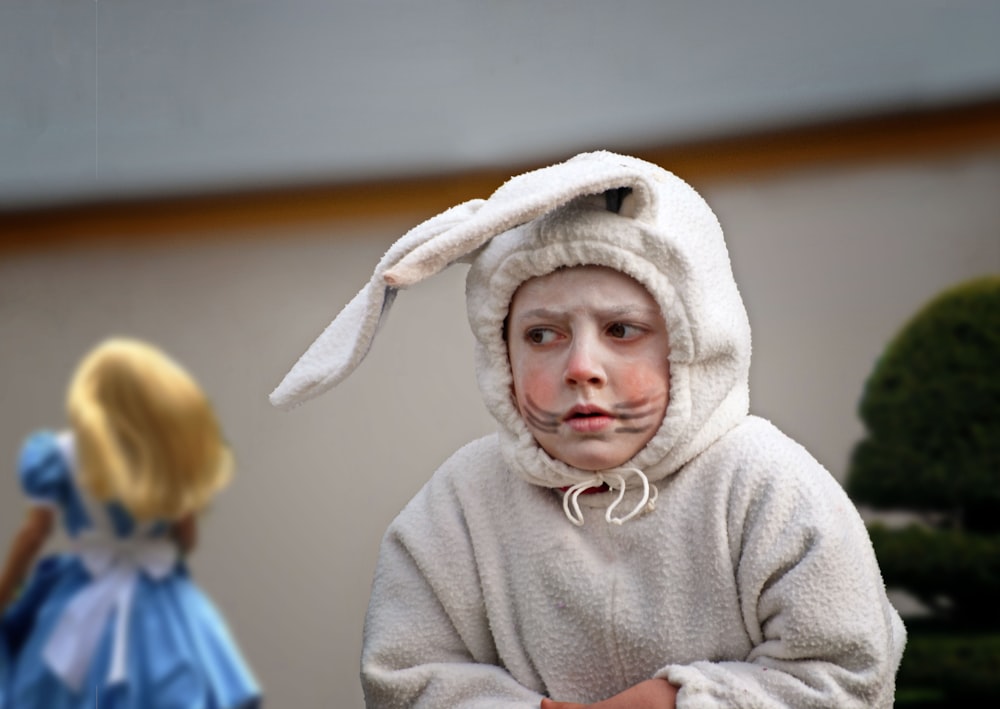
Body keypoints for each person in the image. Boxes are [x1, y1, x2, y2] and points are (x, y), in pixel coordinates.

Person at [270, 150, 905, 707]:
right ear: (502, 357)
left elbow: (845, 674)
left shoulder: (768, 485)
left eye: (623, 331)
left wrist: (681, 704)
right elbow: (405, 676)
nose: (581, 368)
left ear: (694, 343)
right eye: (541, 335)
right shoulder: (461, 504)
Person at [0, 337, 261, 709]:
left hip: (81, 591)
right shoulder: (169, 458)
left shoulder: (60, 454)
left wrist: (4, 591)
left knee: (62, 686)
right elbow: (186, 538)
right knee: (175, 684)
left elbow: (33, 534)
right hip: (160, 596)